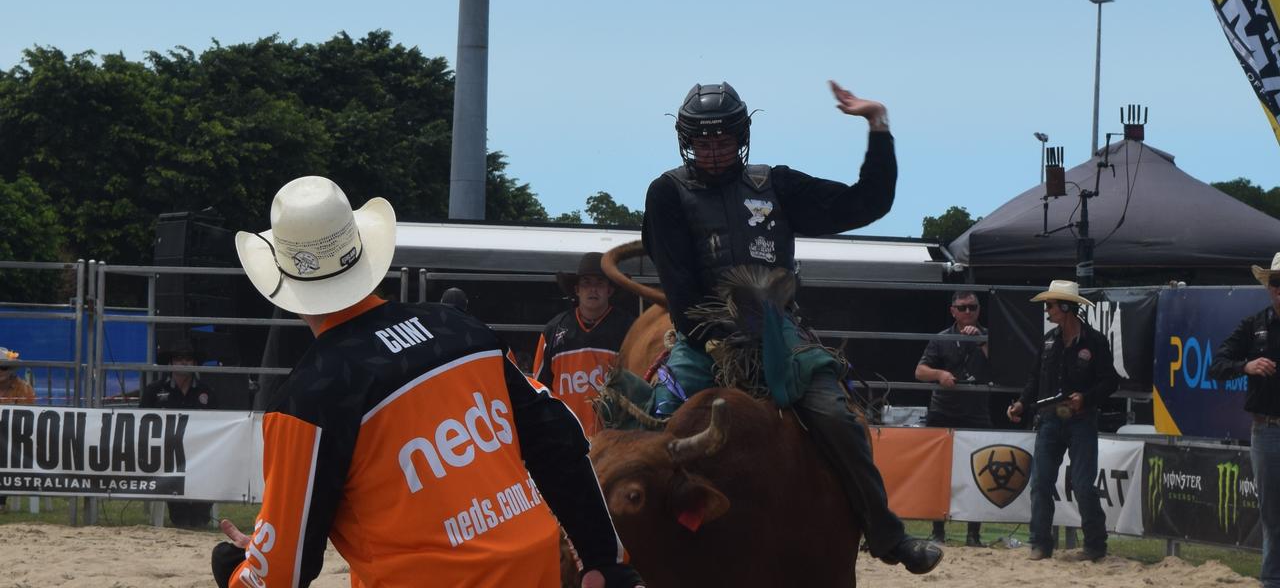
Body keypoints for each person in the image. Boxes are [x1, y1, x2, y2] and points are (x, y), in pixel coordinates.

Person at [212, 176, 643, 588]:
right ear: (362, 253)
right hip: (531, 565)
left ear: (283, 278)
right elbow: (557, 434)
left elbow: (282, 574)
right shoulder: (460, 329)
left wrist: (237, 570)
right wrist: (601, 556)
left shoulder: (307, 399)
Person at [641, 80, 942, 575]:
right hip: (702, 339)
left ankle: (887, 534)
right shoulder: (667, 193)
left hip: (779, 335)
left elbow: (867, 204)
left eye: (721, 140)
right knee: (656, 426)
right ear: (686, 142)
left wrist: (878, 124)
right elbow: (678, 283)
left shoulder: (774, 184)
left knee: (837, 418)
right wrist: (711, 342)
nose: (713, 151)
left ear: (741, 138)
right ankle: (627, 548)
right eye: (702, 141)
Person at [1007, 280, 1118, 562]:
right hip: (1049, 420)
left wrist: (1086, 397)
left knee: (1082, 485)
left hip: (1081, 420)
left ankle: (1095, 544)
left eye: (1051, 305)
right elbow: (1034, 378)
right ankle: (1040, 543)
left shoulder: (1095, 341)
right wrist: (1021, 402)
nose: (1047, 310)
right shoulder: (1048, 341)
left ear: (1066, 307)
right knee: (1041, 482)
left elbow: (1110, 382)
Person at [1209, 251, 1280, 587]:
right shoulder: (1255, 326)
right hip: (1267, 428)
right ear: (1269, 287)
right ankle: (1271, 580)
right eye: (1275, 283)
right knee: (1272, 513)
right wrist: (1246, 366)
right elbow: (1217, 364)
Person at [915, 290, 992, 546]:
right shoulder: (941, 339)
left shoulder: (990, 335)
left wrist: (982, 341)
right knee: (939, 474)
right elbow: (920, 372)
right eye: (963, 308)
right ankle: (938, 532)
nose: (968, 312)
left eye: (972, 307)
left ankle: (974, 535)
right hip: (943, 412)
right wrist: (940, 374)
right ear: (953, 311)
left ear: (979, 309)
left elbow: (1007, 367)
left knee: (978, 475)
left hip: (977, 414)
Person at [533, 252, 635, 437]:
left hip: (612, 439)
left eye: (600, 283)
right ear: (577, 290)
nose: (593, 289)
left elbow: (640, 386)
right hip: (567, 438)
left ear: (609, 290)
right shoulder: (554, 330)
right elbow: (540, 388)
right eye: (586, 283)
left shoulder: (629, 329)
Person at [139, 344, 217, 528]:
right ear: (171, 362)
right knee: (170, 472)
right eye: (179, 358)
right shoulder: (154, 391)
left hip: (201, 452)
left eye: (188, 358)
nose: (184, 362)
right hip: (165, 453)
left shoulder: (206, 392)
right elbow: (140, 422)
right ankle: (180, 514)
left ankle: (200, 515)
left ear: (195, 362)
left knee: (212, 467)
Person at [0, 348, 35, 513]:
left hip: (14, 439)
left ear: (11, 370)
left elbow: (28, 420)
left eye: (4, 367)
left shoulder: (24, 389)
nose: (1, 371)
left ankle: (0, 502)